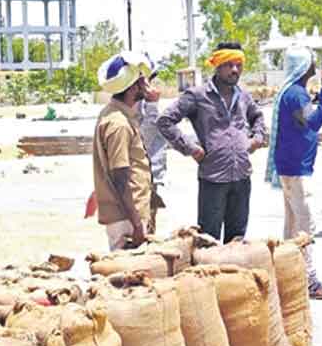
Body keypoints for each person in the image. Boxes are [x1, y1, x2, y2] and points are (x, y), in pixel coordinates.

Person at [157, 42, 268, 243]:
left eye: (239, 65)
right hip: (213, 179)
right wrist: (190, 148)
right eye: (229, 64)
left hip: (241, 177)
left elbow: (257, 117)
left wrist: (256, 139)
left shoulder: (243, 95)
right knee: (208, 241)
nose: (235, 70)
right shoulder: (197, 96)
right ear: (217, 65)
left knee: (237, 241)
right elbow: (165, 121)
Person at [266, 45, 322, 300]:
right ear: (302, 66)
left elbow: (303, 123)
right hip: (296, 171)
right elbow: (314, 121)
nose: (314, 66)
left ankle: (286, 277)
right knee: (305, 227)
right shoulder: (297, 95)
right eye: (311, 62)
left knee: (292, 226)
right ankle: (309, 281)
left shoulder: (290, 93)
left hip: (290, 168)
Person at [92, 51, 155, 250]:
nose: (148, 84)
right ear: (133, 87)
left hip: (128, 213)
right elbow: (120, 177)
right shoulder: (118, 123)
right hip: (127, 218)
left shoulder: (116, 114)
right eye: (143, 80)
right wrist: (137, 224)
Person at [138, 56, 168, 233]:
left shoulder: (146, 101)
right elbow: (143, 139)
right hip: (138, 177)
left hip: (151, 175)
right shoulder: (139, 104)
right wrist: (152, 105)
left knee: (149, 227)